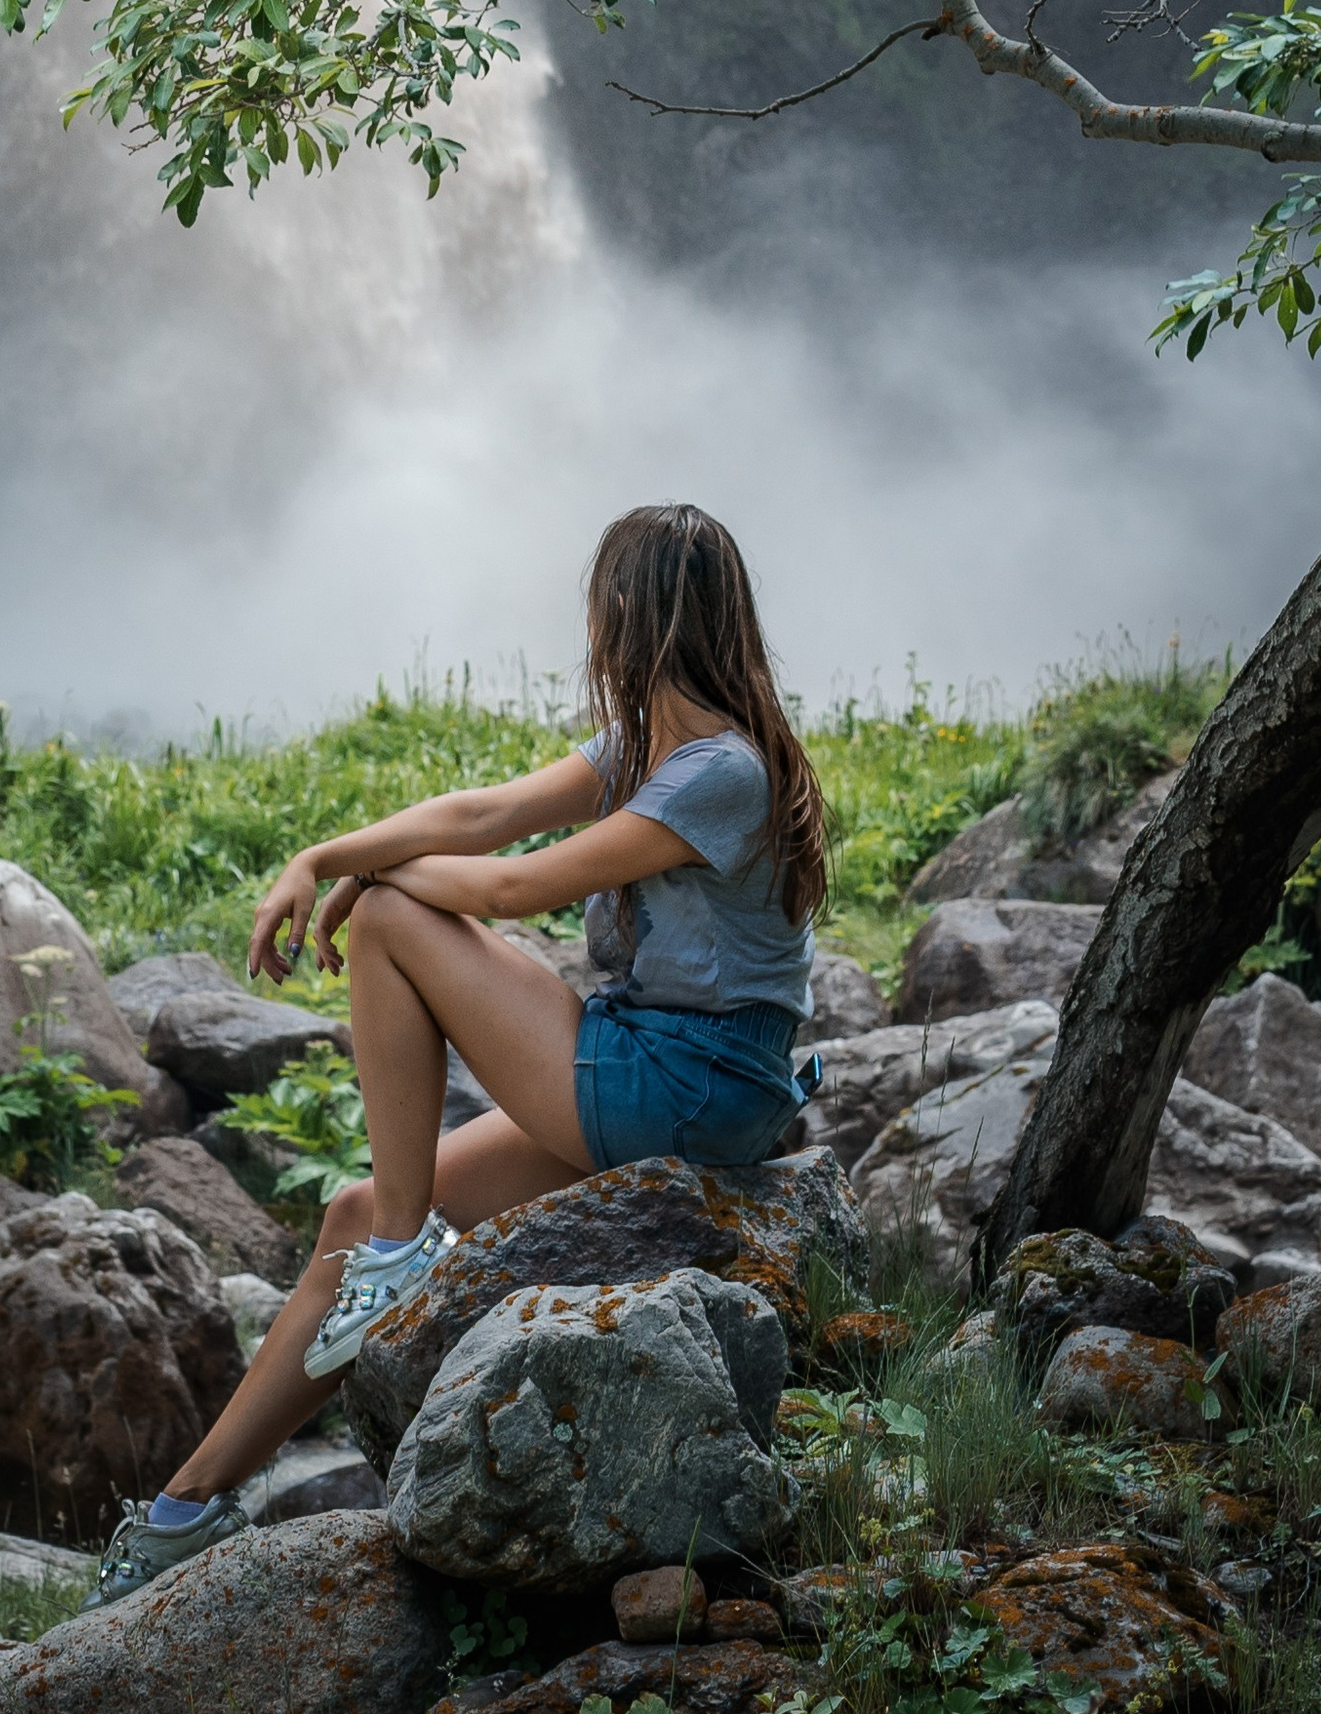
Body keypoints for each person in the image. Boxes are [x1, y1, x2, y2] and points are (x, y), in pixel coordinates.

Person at [92, 499, 829, 1599]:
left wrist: (367, 890)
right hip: (657, 1068)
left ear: (624, 617)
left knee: (393, 924)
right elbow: (481, 815)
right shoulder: (644, 750)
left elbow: (510, 883)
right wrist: (324, 853)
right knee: (348, 1212)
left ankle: (400, 1256)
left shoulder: (720, 770)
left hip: (689, 1084)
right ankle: (182, 1513)